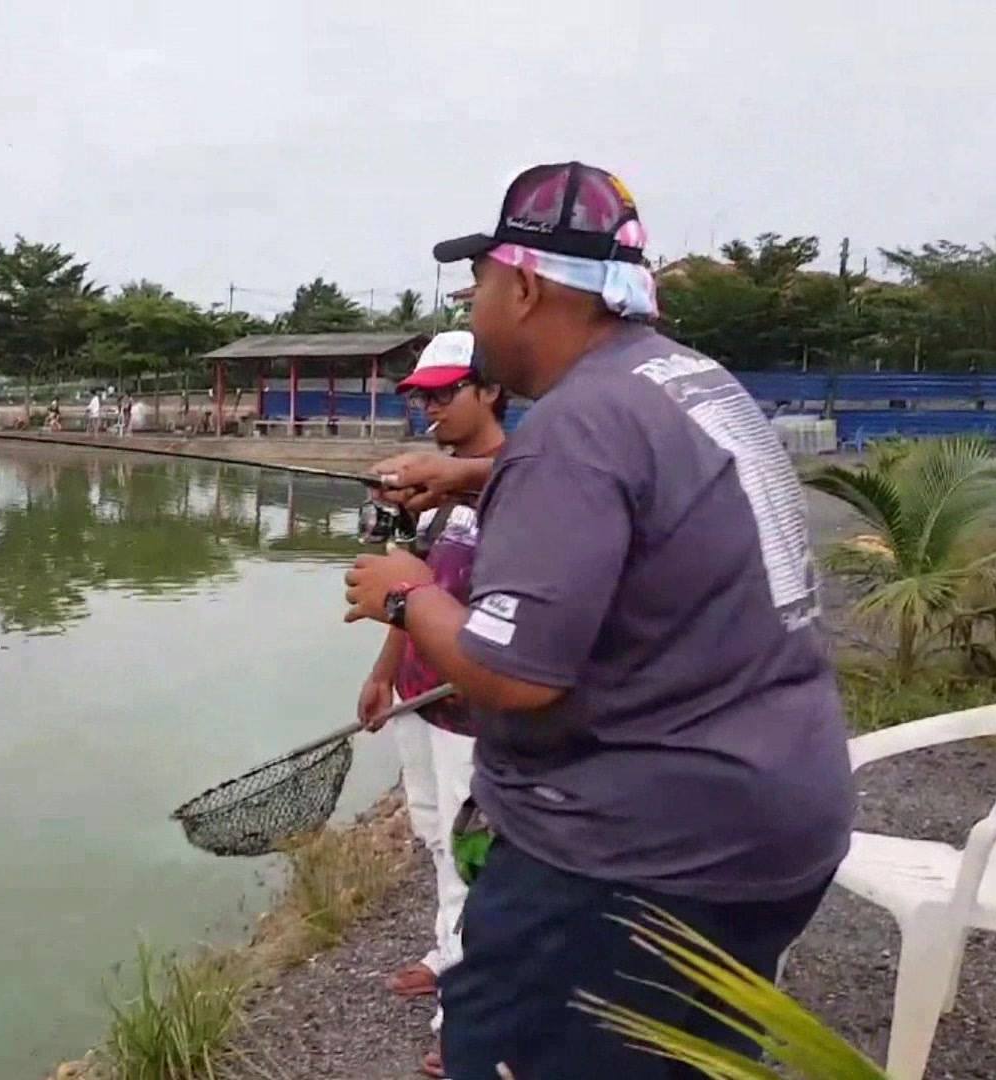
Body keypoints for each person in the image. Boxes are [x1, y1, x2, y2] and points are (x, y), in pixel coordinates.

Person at [343, 162, 854, 1080]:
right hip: (771, 823)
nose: (475, 304)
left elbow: (515, 673)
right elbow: (652, 503)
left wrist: (406, 592)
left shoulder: (574, 428)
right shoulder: (686, 381)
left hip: (635, 859)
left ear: (527, 287)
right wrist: (473, 476)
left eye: (480, 286)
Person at [355, 330, 507, 1079]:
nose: (433, 410)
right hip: (419, 696)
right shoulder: (433, 490)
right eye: (423, 397)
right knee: (432, 837)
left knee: (473, 860)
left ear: (491, 390)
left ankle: (469, 1018)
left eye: (448, 393)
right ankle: (448, 958)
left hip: (472, 709)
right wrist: (385, 673)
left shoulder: (519, 485)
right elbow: (404, 591)